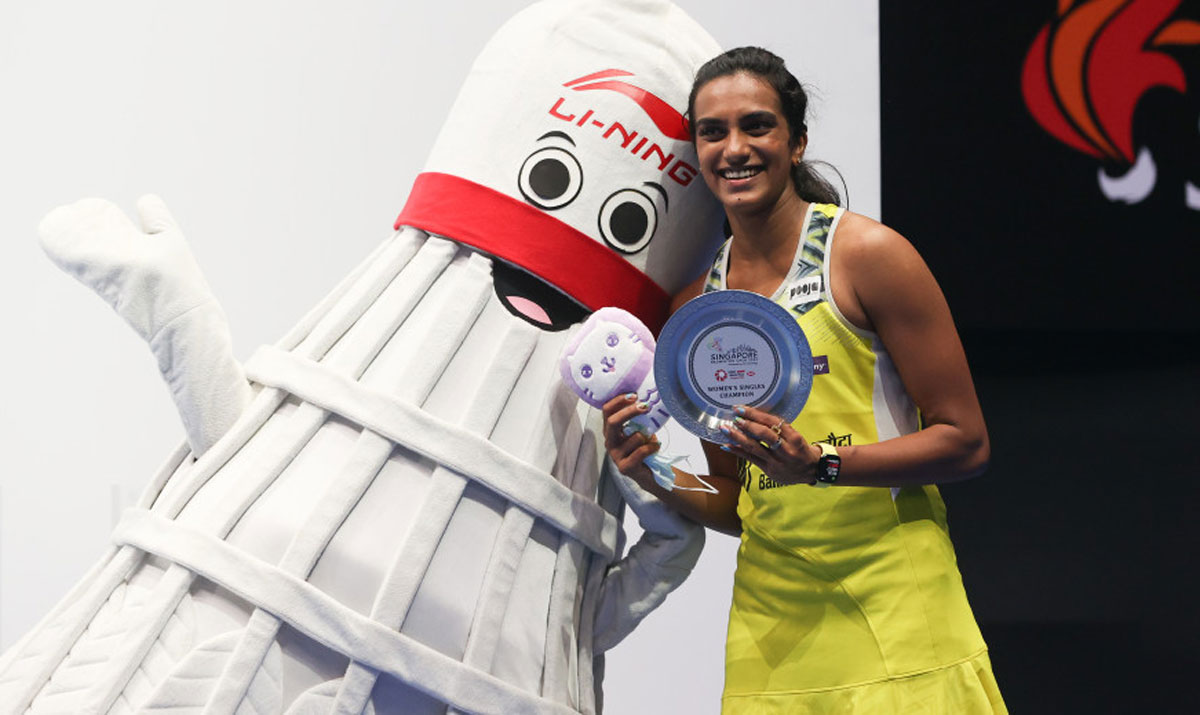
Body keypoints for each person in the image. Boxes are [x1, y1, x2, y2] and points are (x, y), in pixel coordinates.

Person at [603, 47, 1007, 713]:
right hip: (772, 634)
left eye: (757, 125)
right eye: (713, 131)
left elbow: (967, 442)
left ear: (796, 141)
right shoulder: (694, 312)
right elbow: (742, 496)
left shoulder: (870, 257)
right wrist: (655, 473)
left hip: (897, 609)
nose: (735, 147)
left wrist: (822, 463)